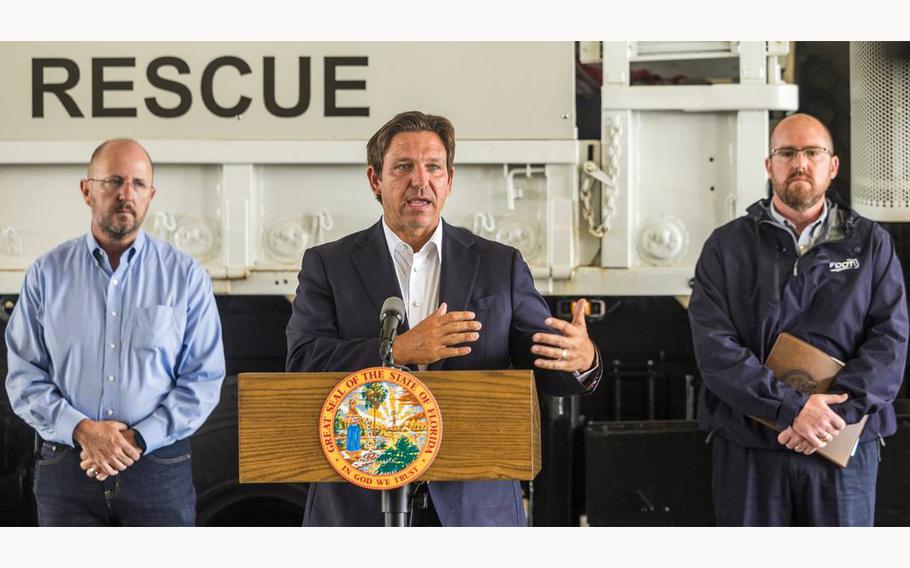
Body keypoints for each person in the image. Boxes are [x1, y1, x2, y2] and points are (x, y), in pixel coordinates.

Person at [286, 111, 602, 526]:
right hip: (359, 505)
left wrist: (581, 359)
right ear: (375, 181)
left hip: (472, 507)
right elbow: (304, 363)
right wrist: (398, 350)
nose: (420, 180)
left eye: (433, 167)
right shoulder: (329, 264)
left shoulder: (498, 265)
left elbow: (547, 366)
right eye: (403, 167)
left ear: (449, 181)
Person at [689, 113, 908, 526]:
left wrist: (828, 420)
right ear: (769, 165)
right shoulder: (726, 247)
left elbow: (889, 345)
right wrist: (791, 410)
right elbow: (715, 349)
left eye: (812, 152)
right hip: (749, 448)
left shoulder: (872, 245)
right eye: (787, 152)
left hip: (844, 447)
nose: (800, 163)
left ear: (833, 165)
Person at [4, 139, 226, 526]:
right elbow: (25, 377)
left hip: (158, 470)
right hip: (67, 471)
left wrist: (136, 439)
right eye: (113, 181)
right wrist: (83, 431)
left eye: (139, 184)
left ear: (151, 195)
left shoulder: (185, 277)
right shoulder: (46, 274)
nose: (126, 194)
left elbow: (203, 379)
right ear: (86, 190)